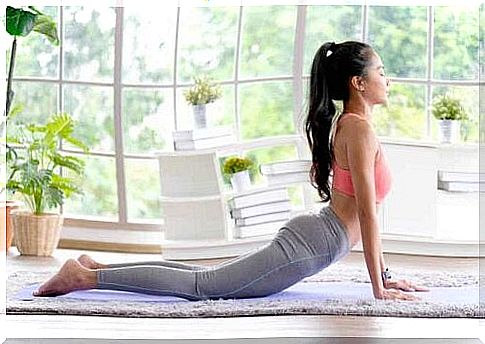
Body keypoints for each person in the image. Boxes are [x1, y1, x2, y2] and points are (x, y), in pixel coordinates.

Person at [34, 41, 429, 301]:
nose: (387, 79)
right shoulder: (358, 129)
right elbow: (367, 213)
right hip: (314, 244)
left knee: (209, 275)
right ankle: (84, 278)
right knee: (204, 287)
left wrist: (383, 275)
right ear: (358, 82)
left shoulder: (354, 124)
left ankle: (96, 266)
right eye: (381, 71)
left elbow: (364, 211)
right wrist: (379, 286)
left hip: (316, 236)